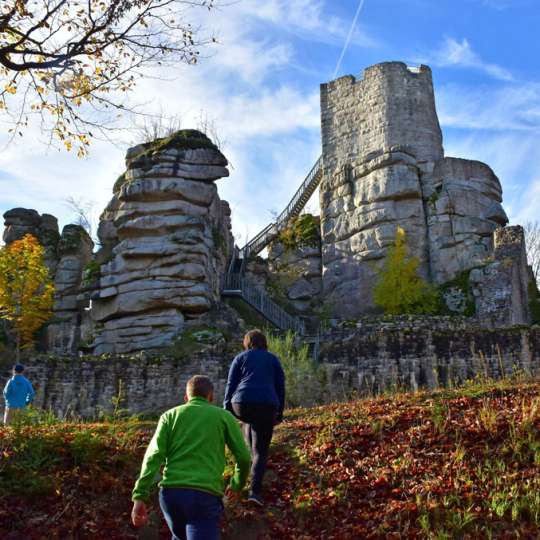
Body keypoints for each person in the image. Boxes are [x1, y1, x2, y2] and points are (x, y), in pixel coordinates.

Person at [131, 375, 251, 540]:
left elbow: (153, 456)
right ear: (211, 397)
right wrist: (237, 484)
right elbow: (244, 458)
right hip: (204, 496)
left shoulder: (169, 416)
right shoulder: (224, 417)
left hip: (170, 496)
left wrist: (139, 495)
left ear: (186, 398)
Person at [223, 329, 285, 507]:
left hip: (241, 404)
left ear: (247, 343)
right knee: (261, 451)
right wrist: (279, 412)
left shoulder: (240, 358)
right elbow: (280, 386)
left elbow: (231, 383)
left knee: (249, 423)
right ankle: (254, 493)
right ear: (264, 342)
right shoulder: (273, 359)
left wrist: (226, 407)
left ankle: (241, 477)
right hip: (266, 404)